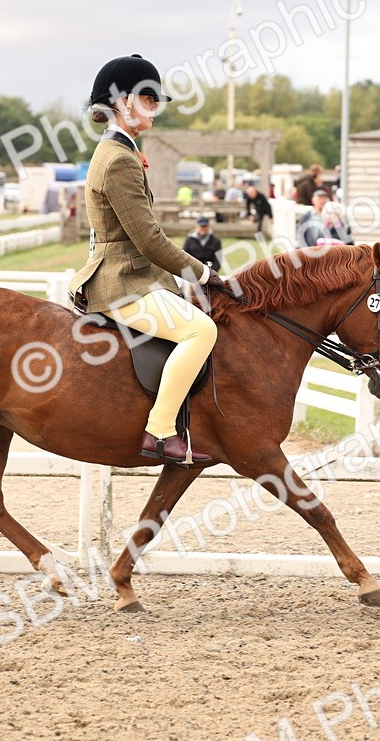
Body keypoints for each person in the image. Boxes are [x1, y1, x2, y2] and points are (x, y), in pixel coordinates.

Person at [69, 54, 227, 465]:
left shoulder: (122, 150)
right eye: (150, 99)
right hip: (121, 280)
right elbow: (149, 240)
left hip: (135, 274)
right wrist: (204, 274)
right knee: (200, 332)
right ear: (122, 103)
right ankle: (159, 431)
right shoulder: (118, 159)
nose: (157, 109)